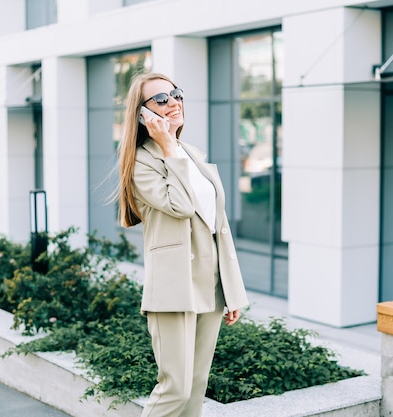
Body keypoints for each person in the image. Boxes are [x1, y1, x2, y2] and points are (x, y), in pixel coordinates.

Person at [115, 72, 249, 417]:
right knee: (174, 388)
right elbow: (181, 206)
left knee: (195, 387)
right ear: (143, 114)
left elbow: (218, 226)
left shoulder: (192, 154)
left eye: (176, 94)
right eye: (161, 99)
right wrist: (168, 147)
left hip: (211, 286)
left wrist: (231, 290)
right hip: (174, 287)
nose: (173, 102)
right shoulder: (142, 162)